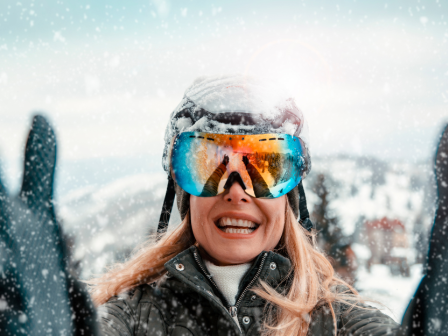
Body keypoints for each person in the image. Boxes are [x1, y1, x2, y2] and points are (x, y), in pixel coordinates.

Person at [90, 75, 399, 336]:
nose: (237, 193)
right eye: (209, 166)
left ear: (288, 201)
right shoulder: (134, 317)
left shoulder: (335, 320)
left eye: (264, 169)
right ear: (185, 197)